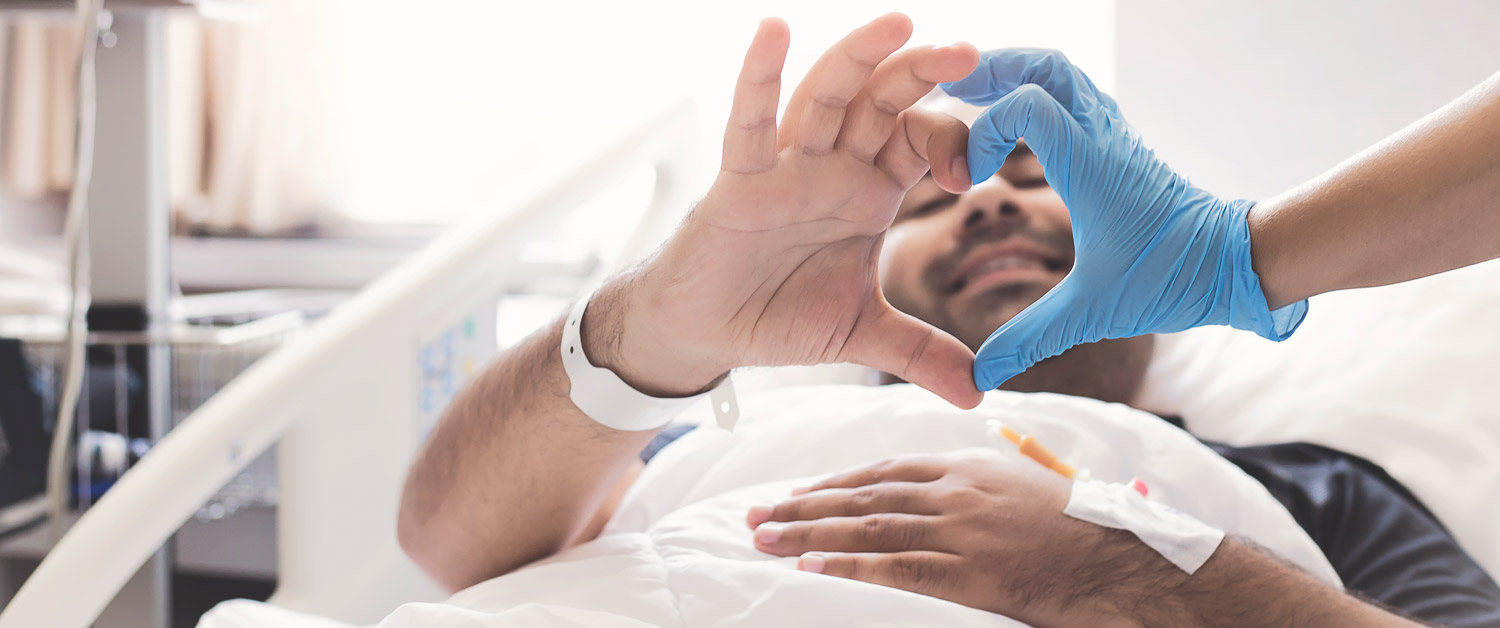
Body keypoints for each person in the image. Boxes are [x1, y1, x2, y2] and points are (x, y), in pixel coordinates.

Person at [395, 14, 1499, 628]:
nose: (1000, 201)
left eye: (1040, 184)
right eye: (944, 200)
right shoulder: (717, 445)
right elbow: (448, 546)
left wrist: (1134, 571)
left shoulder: (1307, 486)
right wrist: (656, 329)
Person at [945, 48, 1500, 389]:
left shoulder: (1317, 487)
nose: (984, 201)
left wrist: (1230, 255)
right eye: (924, 203)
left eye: (1032, 175)